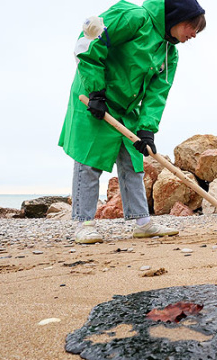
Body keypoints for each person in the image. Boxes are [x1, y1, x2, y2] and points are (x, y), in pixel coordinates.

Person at [58, 0, 206, 243]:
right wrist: (96, 92)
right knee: (89, 161)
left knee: (133, 161)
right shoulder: (135, 18)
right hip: (94, 98)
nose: (194, 35)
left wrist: (147, 128)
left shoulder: (170, 54)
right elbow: (90, 44)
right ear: (178, 17)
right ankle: (84, 224)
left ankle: (142, 223)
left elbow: (157, 94)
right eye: (193, 27)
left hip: (126, 109)